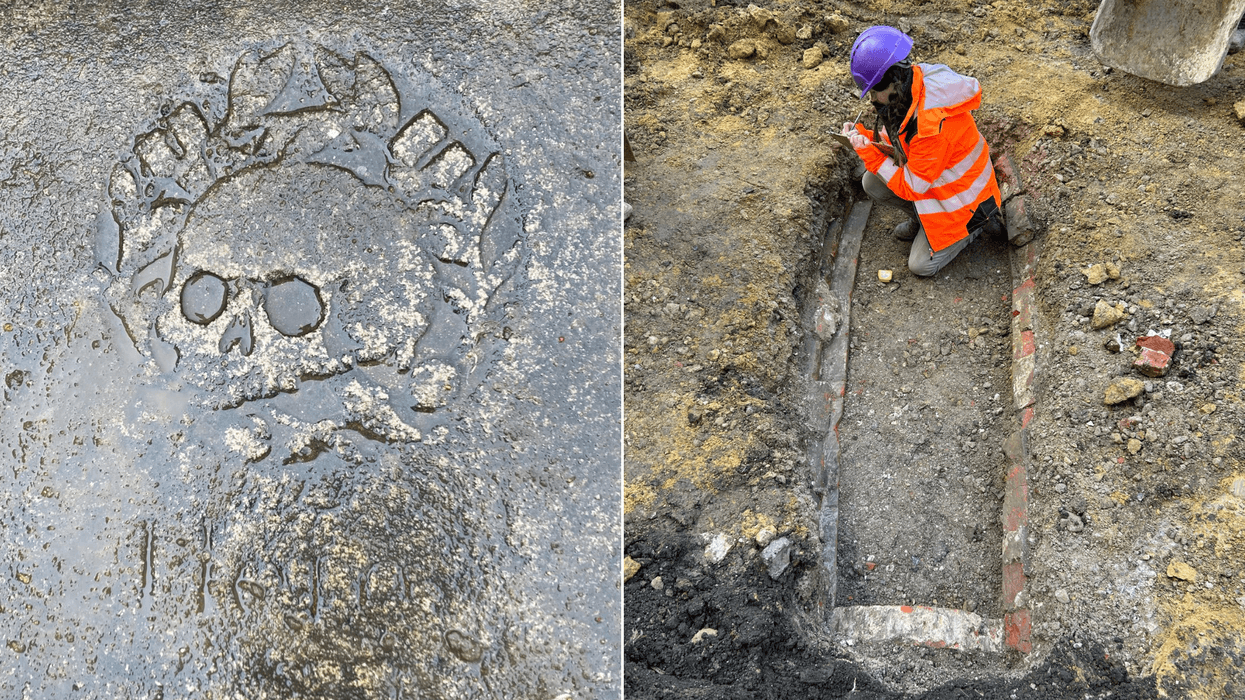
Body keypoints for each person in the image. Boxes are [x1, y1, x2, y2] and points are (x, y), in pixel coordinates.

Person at [840, 26, 1003, 277]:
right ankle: (922, 220)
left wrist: (870, 155)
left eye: (874, 91)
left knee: (920, 266)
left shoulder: (930, 127)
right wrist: (863, 136)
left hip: (966, 204)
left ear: (893, 80)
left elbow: (913, 187)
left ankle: (974, 229)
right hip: (937, 180)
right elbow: (900, 136)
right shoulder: (912, 84)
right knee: (872, 181)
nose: (872, 99)